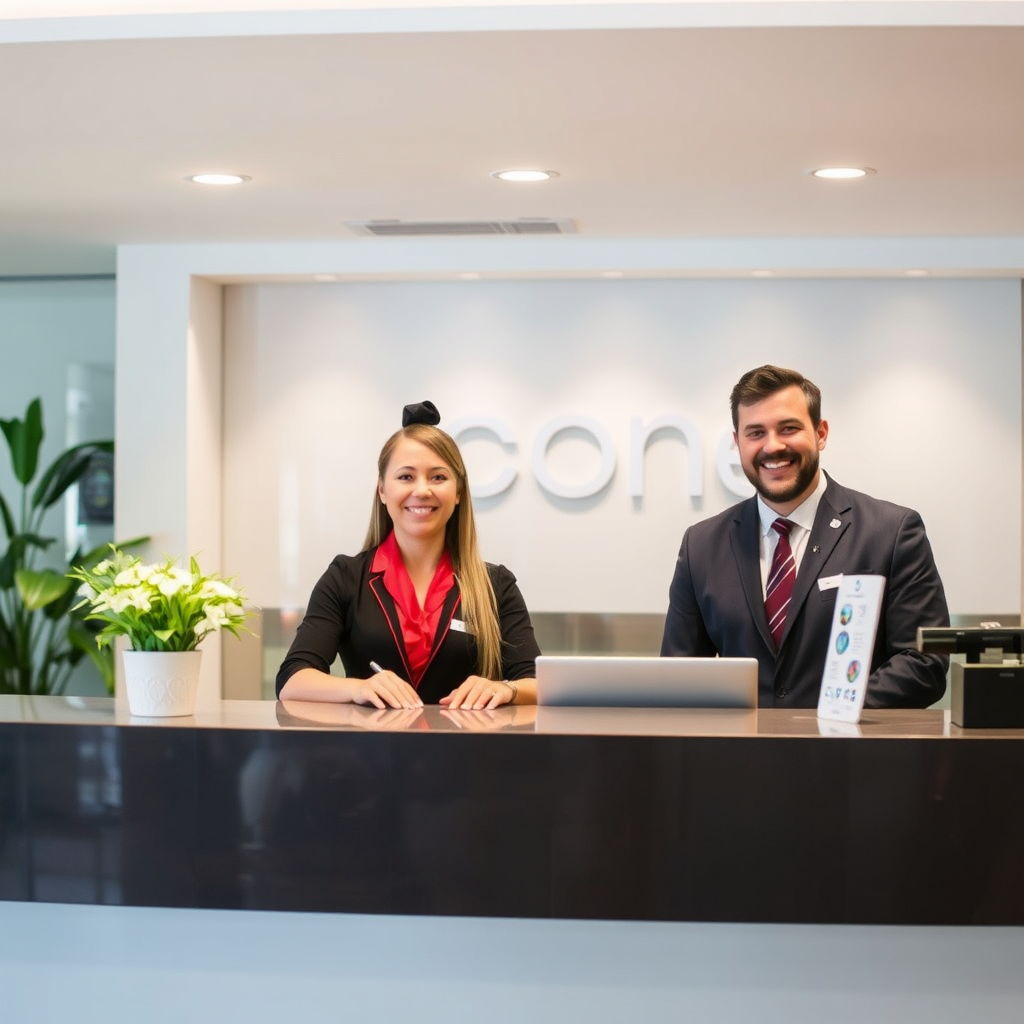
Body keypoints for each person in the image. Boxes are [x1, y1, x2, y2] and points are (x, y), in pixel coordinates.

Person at [661, 364, 949, 708]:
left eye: (789, 428)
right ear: (737, 444)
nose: (773, 446)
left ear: (821, 432)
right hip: (741, 759)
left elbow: (923, 664)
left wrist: (829, 713)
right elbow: (680, 676)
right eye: (755, 433)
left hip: (853, 756)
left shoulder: (892, 531)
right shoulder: (701, 545)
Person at [276, 400, 540, 710]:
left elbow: (535, 682)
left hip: (468, 755)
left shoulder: (496, 584)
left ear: (458, 493)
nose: (423, 490)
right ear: (382, 490)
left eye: (438, 477)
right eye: (406, 477)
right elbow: (293, 680)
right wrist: (359, 688)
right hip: (369, 755)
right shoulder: (345, 577)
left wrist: (505, 689)